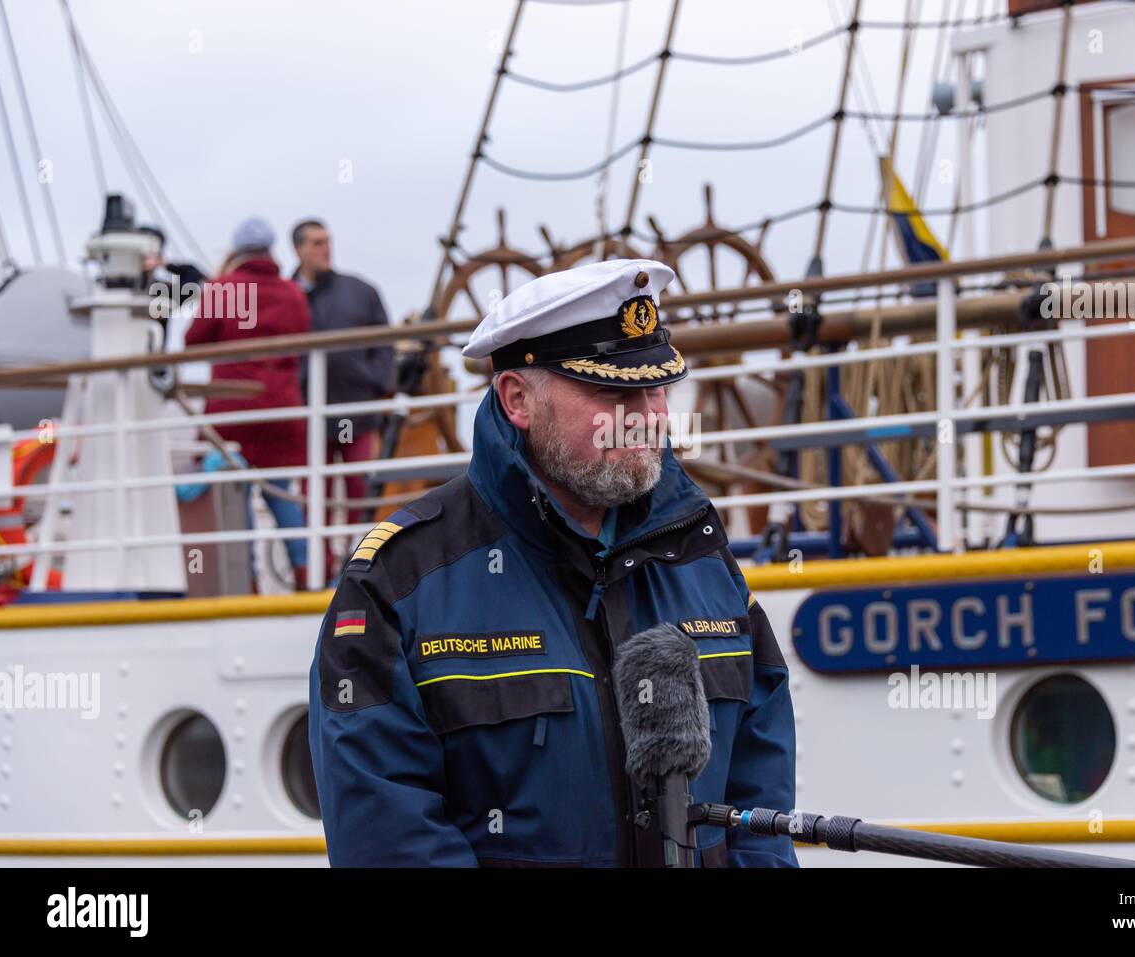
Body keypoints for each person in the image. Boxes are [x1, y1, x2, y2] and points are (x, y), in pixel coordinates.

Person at [308, 259, 797, 867]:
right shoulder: (399, 583)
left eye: (655, 387)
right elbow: (387, 837)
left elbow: (760, 801)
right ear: (517, 399)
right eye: (612, 391)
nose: (645, 415)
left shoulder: (700, 556)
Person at [184, 217, 311, 592]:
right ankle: (306, 575)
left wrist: (220, 277)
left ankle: (251, 582)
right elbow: (303, 337)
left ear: (237, 251)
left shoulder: (225, 289)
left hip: (234, 408)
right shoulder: (292, 292)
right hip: (281, 408)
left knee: (237, 496)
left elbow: (194, 340)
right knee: (280, 492)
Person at [290, 219, 394, 566]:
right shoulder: (287, 296)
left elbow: (384, 342)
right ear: (299, 249)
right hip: (307, 415)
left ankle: (357, 565)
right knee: (311, 497)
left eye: (328, 241)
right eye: (317, 242)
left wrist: (378, 382)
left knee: (359, 493)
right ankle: (314, 568)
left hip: (356, 410)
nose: (326, 248)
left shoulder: (360, 291)